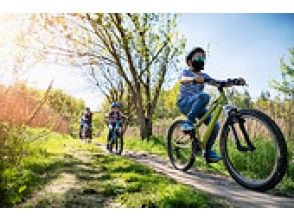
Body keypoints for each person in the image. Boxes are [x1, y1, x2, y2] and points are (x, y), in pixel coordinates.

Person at [177, 47, 245, 163]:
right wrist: (194, 79)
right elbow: (182, 79)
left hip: (198, 106)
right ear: (189, 61)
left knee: (216, 126)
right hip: (185, 103)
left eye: (203, 58)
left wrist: (234, 82)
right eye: (198, 57)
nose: (201, 59)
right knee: (205, 96)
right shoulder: (187, 72)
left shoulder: (205, 76)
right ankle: (187, 123)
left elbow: (217, 82)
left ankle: (207, 152)